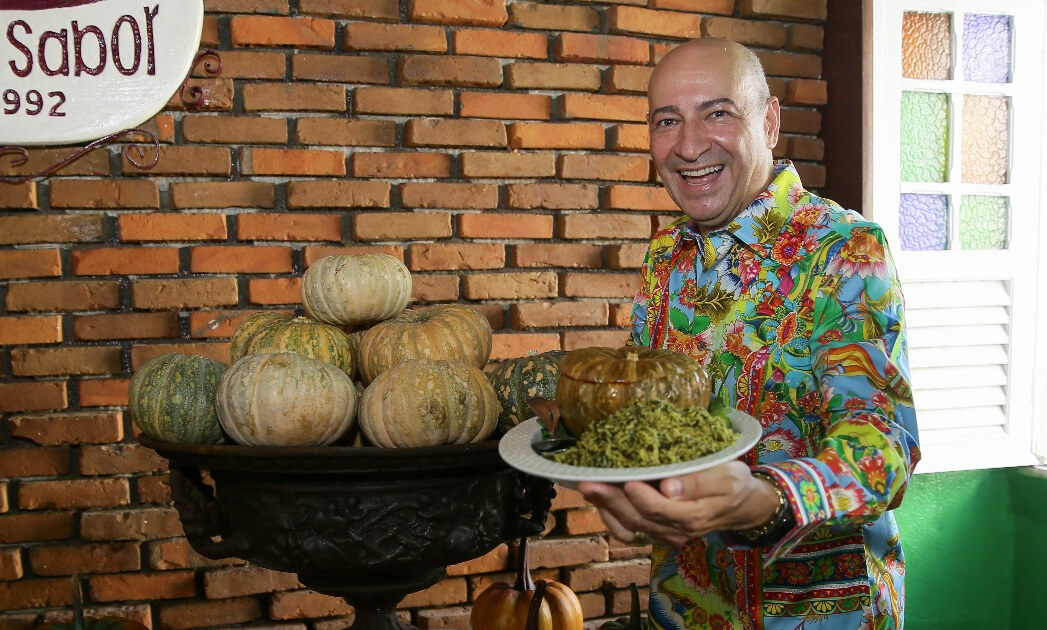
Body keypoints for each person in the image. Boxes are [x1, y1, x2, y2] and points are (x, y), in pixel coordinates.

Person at [577, 38, 921, 630]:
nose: (688, 146)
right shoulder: (667, 257)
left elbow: (883, 449)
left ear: (769, 121)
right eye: (667, 121)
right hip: (682, 608)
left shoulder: (845, 249)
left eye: (718, 113)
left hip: (817, 613)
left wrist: (766, 501)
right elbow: (656, 422)